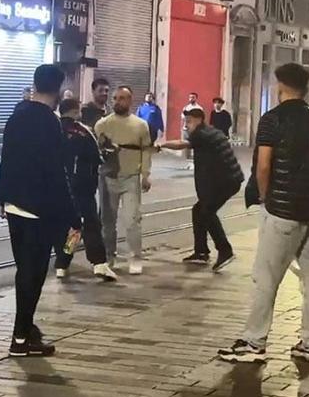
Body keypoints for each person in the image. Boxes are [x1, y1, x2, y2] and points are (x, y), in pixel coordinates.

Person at [218, 63, 309, 363]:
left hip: (283, 210)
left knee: (266, 276)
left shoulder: (272, 119)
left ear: (280, 86)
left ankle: (254, 341)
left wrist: (266, 198)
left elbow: (263, 166)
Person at [0, 64, 81, 357]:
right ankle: (20, 338)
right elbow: (58, 173)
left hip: (14, 205)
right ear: (57, 90)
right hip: (39, 209)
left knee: (25, 270)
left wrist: (2, 199)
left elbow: (6, 160)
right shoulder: (50, 123)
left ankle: (27, 330)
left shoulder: (17, 115)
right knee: (33, 274)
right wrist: (73, 214)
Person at [158, 108, 244, 272]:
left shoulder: (201, 134)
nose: (186, 125)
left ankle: (225, 251)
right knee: (198, 210)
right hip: (228, 179)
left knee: (207, 212)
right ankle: (201, 251)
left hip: (225, 181)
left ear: (198, 120)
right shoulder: (210, 131)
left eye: (189, 121)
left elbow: (182, 144)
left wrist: (161, 145)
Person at [53, 98, 118, 281]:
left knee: (70, 228)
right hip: (82, 186)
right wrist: (109, 151)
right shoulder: (83, 131)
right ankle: (99, 263)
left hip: (58, 188)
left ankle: (62, 263)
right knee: (90, 224)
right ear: (75, 111)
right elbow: (97, 157)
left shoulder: (53, 129)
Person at [95, 86, 153, 275]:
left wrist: (145, 174)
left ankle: (135, 257)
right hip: (108, 178)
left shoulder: (141, 125)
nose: (117, 101)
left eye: (122, 98)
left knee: (132, 220)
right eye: (115, 98)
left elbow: (146, 150)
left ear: (130, 100)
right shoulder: (102, 124)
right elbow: (96, 151)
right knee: (107, 221)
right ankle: (109, 257)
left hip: (131, 178)